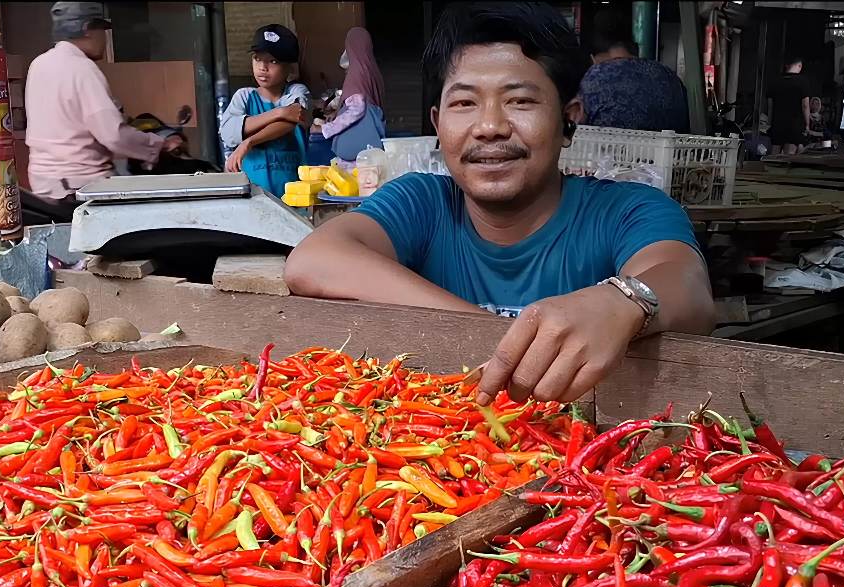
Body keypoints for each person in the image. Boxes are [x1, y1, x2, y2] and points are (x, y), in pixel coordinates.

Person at [284, 2, 715, 405]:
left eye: (520, 101)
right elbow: (313, 261)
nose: (489, 126)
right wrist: (499, 334)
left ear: (569, 119)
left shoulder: (626, 211)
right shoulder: (423, 202)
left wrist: (624, 301)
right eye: (465, 103)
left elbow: (687, 285)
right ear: (438, 123)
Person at [24, 2, 182, 204]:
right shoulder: (82, 69)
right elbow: (114, 135)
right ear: (88, 30)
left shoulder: (39, 64)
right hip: (80, 186)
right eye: (101, 30)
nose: (104, 39)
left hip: (45, 184)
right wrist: (161, 144)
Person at [220, 25, 310, 196]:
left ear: (290, 67)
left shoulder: (297, 92)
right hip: (252, 195)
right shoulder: (244, 96)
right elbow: (229, 133)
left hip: (294, 195)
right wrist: (278, 113)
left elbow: (292, 119)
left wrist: (249, 142)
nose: (263, 67)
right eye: (257, 59)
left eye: (273, 61)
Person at [570, 13, 689, 132]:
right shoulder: (669, 75)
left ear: (594, 58)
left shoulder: (594, 78)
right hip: (671, 150)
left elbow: (575, 125)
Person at [318, 27, 387, 162]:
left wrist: (327, 129)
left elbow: (357, 108)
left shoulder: (356, 73)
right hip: (373, 148)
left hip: (355, 152)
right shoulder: (372, 71)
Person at [769, 56, 816, 155]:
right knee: (789, 154)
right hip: (795, 123)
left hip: (777, 122)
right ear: (800, 66)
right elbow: (805, 105)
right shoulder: (803, 81)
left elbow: (770, 102)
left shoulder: (776, 80)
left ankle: (771, 169)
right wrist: (807, 124)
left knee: (774, 152)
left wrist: (771, 120)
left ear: (787, 66)